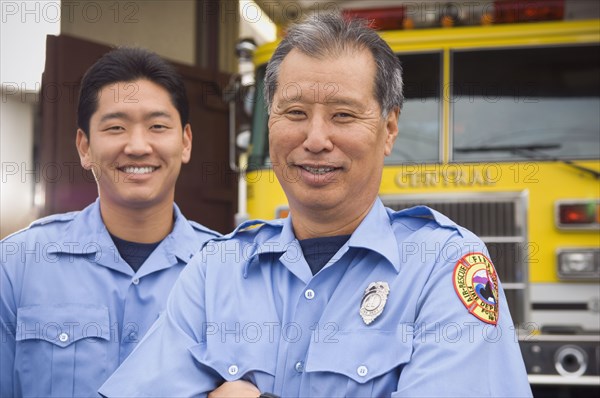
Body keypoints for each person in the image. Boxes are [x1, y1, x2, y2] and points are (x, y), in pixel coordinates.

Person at [99, 14, 532, 397]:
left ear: (390, 128)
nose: (316, 140)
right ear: (270, 122)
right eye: (294, 113)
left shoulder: (444, 266)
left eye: (343, 115)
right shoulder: (217, 270)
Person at [0, 47, 220, 397]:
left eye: (157, 126)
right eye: (116, 127)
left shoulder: (226, 271)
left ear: (185, 142)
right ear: (84, 147)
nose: (137, 146)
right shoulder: (17, 264)